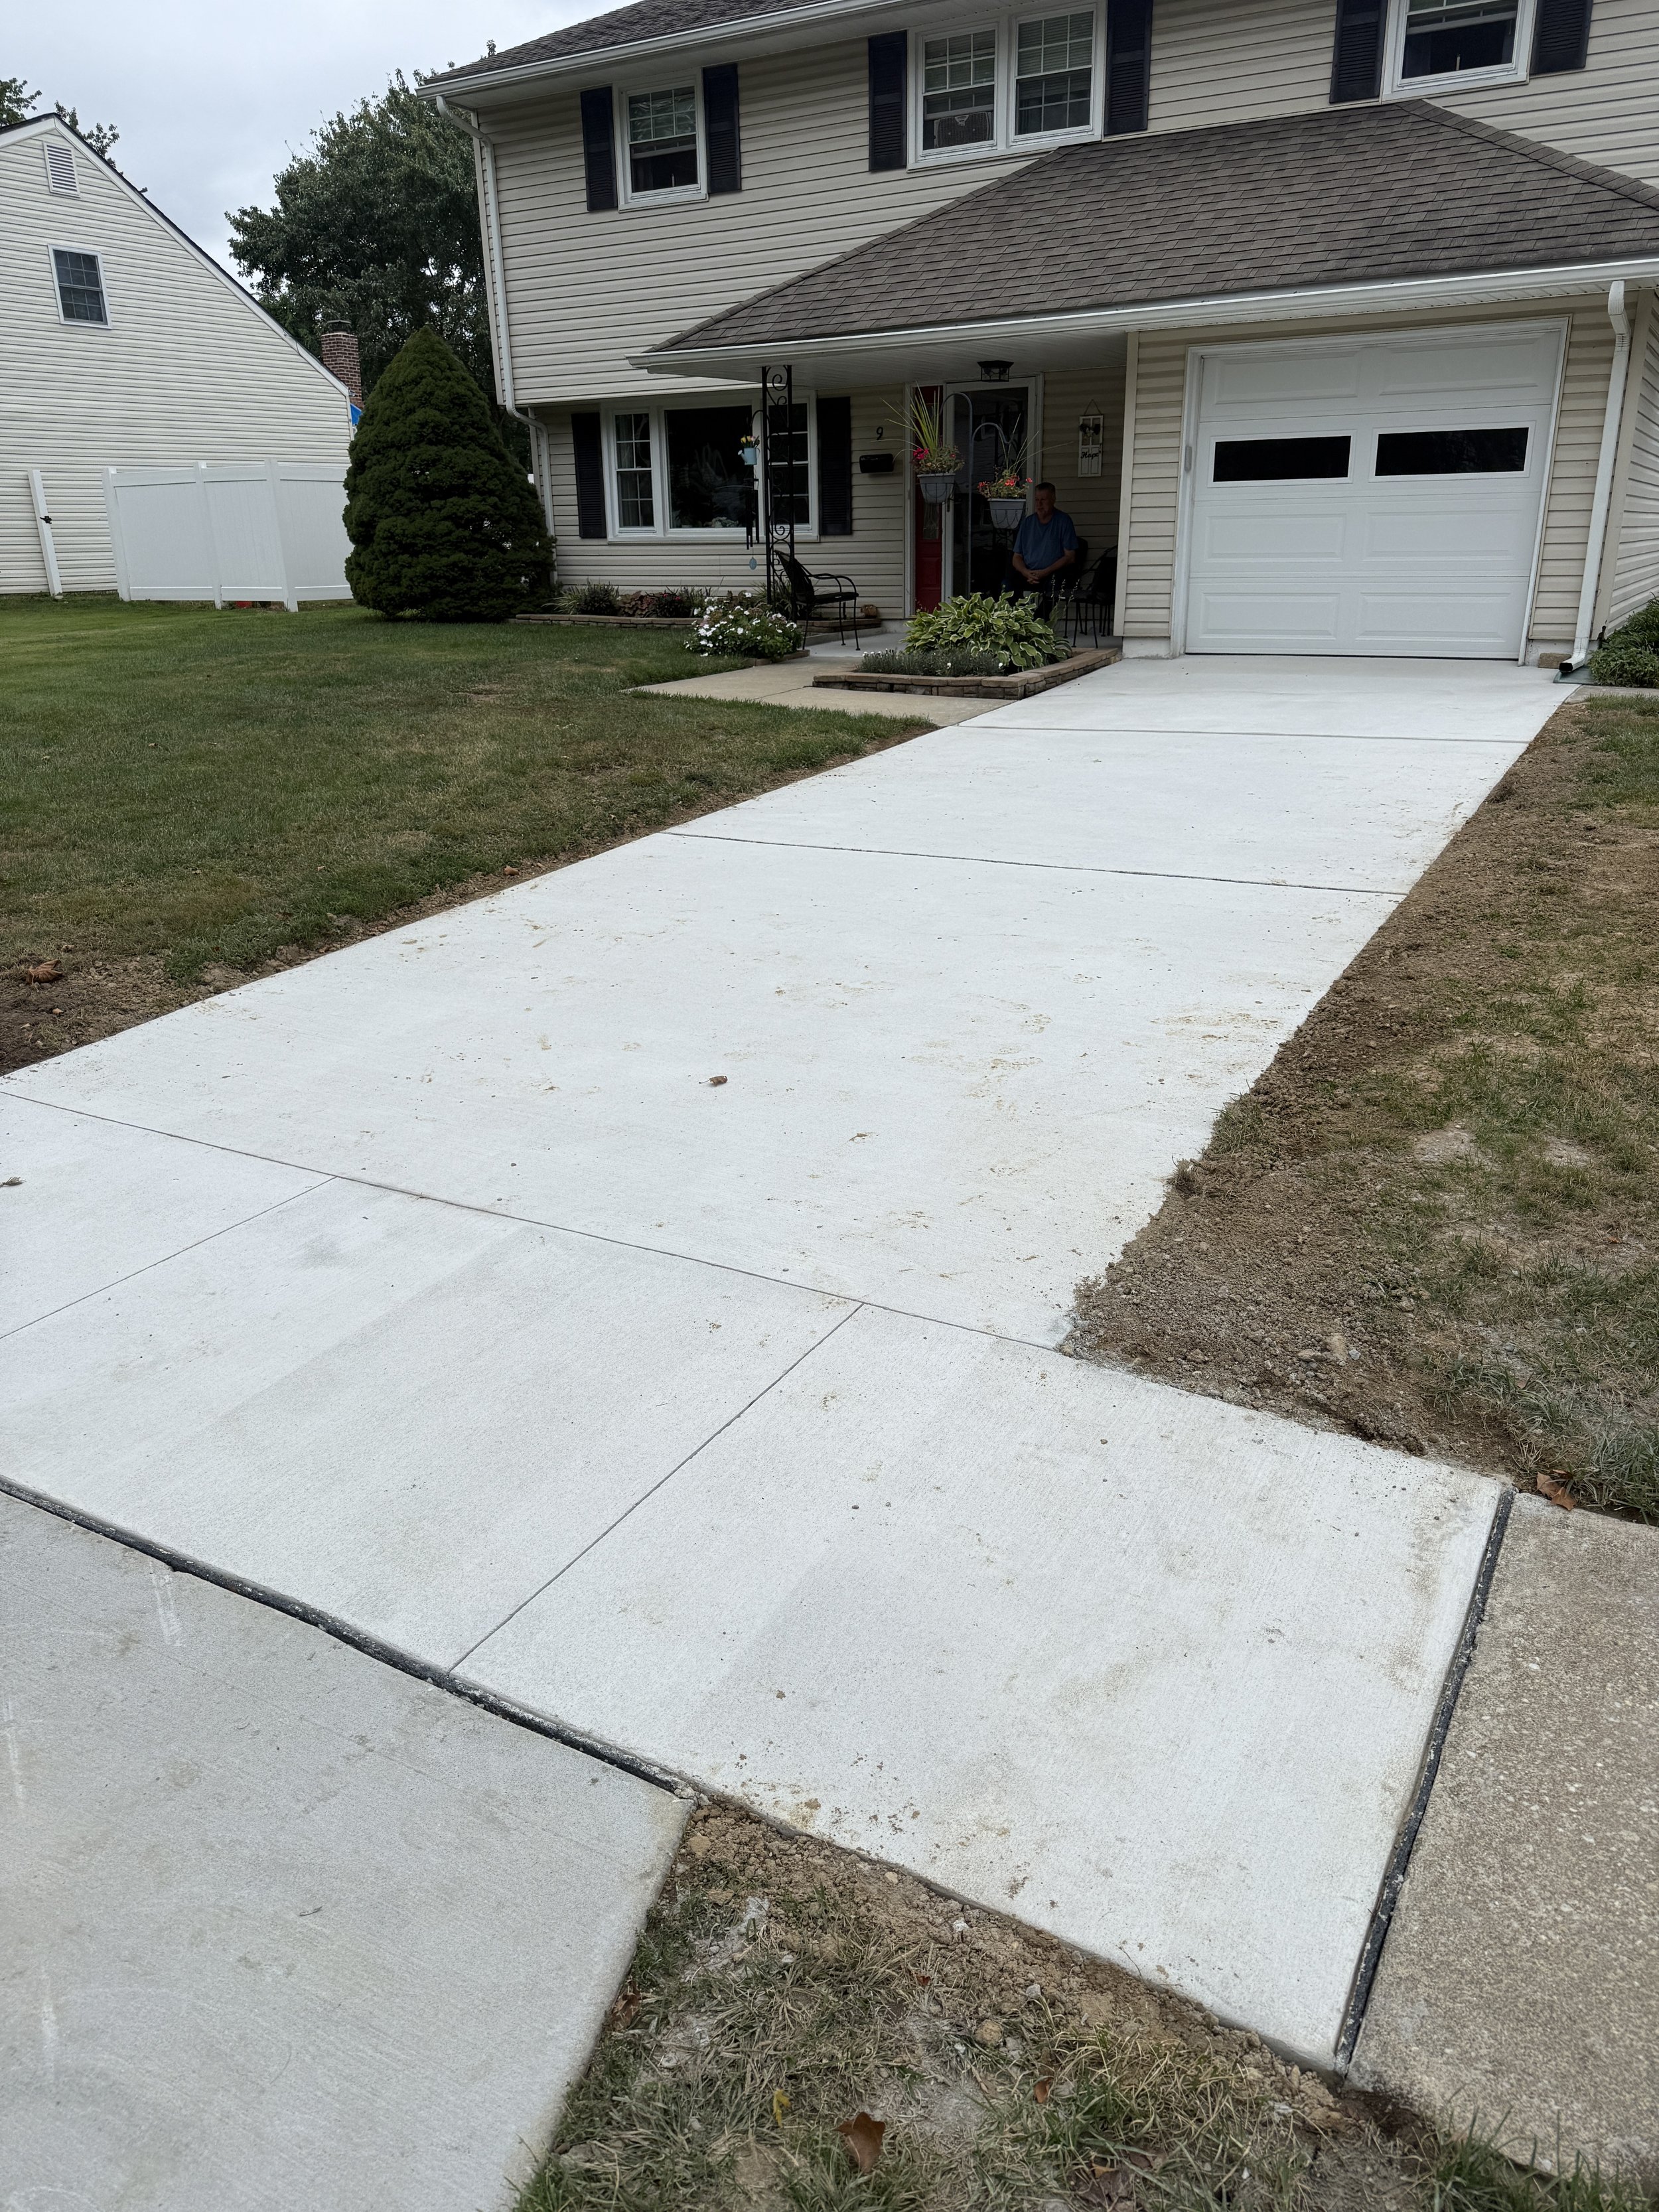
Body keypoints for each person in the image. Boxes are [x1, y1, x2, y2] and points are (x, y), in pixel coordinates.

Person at [1009, 482, 1078, 607]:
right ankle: (1017, 621)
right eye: (1037, 500)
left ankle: (1039, 624)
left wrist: (1045, 572)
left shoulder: (1063, 521)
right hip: (1028, 573)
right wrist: (1026, 572)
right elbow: (1016, 557)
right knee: (1007, 585)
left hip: (1052, 573)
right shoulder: (1028, 523)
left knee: (1053, 590)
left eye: (1043, 500)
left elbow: (1070, 557)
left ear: (1053, 499)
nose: (1039, 505)